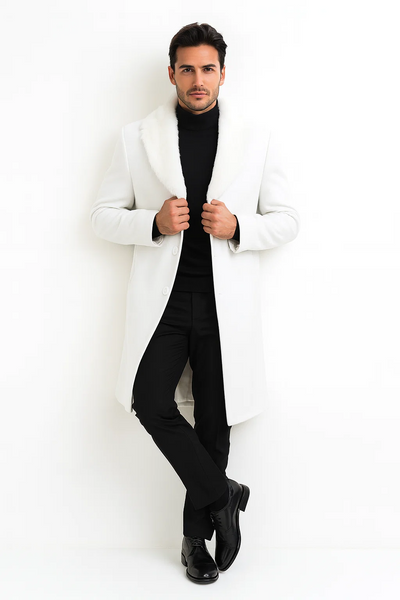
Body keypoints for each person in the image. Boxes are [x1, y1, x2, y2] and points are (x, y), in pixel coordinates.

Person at [90, 22, 300, 584]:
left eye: (208, 69)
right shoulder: (136, 138)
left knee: (213, 422)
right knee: (149, 400)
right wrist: (152, 222)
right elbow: (102, 215)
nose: (198, 79)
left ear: (223, 74)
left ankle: (194, 541)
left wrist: (239, 227)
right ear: (172, 73)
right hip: (164, 302)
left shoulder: (256, 138)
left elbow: (287, 220)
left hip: (225, 306)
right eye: (187, 69)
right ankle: (222, 494)